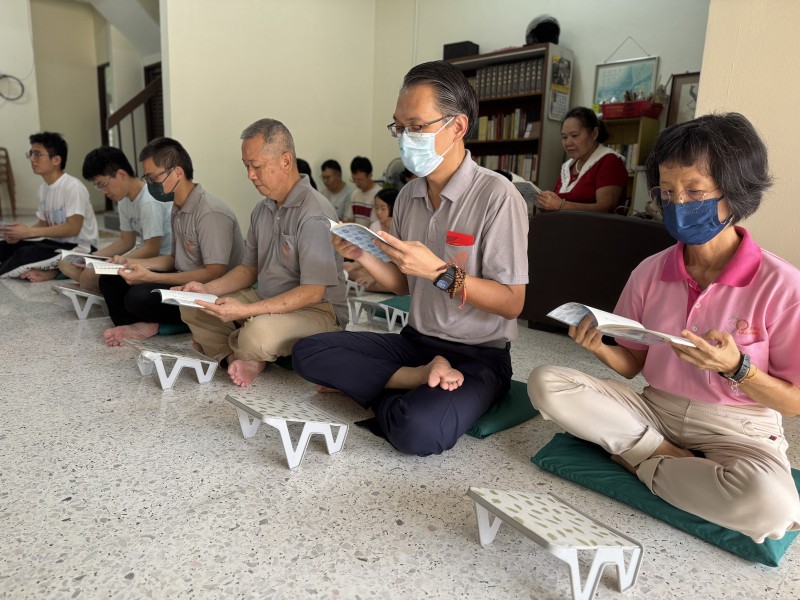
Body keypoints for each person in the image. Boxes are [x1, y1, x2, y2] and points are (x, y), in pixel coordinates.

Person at [527, 113, 800, 543]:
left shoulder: (783, 285)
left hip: (739, 429)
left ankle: (639, 458)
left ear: (736, 191)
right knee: (546, 383)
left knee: (773, 507)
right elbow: (632, 365)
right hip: (656, 411)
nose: (678, 204)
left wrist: (737, 368)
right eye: (667, 192)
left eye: (694, 191)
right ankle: (661, 455)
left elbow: (793, 402)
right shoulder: (650, 271)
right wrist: (599, 346)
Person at [292, 60, 529, 456]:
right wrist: (362, 254)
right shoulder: (408, 196)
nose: (405, 138)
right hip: (416, 344)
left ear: (457, 126)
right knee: (307, 351)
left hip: (479, 357)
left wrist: (439, 272)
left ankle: (380, 385)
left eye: (416, 126)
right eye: (399, 127)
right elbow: (404, 283)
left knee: (417, 430)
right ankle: (416, 377)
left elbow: (512, 302)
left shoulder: (497, 197)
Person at [177, 118, 347, 388]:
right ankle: (239, 356)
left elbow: (313, 292)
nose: (250, 175)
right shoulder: (262, 209)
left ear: (286, 161)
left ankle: (234, 347)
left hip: (318, 310)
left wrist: (246, 311)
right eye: (246, 166)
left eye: (256, 166)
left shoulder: (314, 212)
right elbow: (248, 270)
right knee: (193, 305)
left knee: (257, 333)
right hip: (267, 299)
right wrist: (206, 288)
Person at [98, 137, 244, 346]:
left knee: (139, 297)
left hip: (206, 289)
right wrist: (131, 263)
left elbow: (213, 273)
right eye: (147, 179)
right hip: (182, 280)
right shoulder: (177, 207)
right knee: (111, 279)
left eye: (153, 178)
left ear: (177, 172)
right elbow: (174, 259)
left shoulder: (211, 212)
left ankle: (155, 325)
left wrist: (152, 277)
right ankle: (135, 324)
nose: (150, 185)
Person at [54, 146, 172, 292]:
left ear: (121, 174)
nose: (103, 192)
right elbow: (125, 241)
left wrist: (118, 261)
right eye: (98, 187)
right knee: (66, 263)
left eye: (103, 185)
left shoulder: (149, 201)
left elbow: (152, 249)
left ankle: (96, 285)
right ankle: (97, 286)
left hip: (160, 260)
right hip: (143, 257)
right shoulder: (124, 200)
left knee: (90, 275)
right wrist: (91, 257)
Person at [0, 132, 98, 279]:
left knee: (24, 255)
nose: (32, 159)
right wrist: (19, 234)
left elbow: (73, 228)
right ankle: (51, 271)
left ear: (56, 160)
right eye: (31, 154)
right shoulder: (43, 188)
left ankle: (53, 272)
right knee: (5, 247)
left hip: (80, 248)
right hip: (54, 243)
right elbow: (43, 223)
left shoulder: (73, 187)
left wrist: (28, 232)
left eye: (37, 154)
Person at [535, 107, 628, 213]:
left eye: (574, 136)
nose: (568, 143)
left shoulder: (609, 160)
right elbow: (557, 206)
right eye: (564, 137)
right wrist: (545, 204)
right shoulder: (567, 166)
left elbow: (606, 208)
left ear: (594, 133)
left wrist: (560, 205)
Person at [344, 188, 398, 293]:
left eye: (383, 208)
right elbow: (370, 254)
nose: (378, 212)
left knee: (393, 283)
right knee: (350, 273)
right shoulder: (375, 226)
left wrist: (373, 277)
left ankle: (377, 284)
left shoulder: (400, 227)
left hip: (395, 271)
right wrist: (353, 266)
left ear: (394, 207)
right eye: (376, 208)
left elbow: (396, 262)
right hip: (376, 267)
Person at [349, 156, 382, 226]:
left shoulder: (379, 195)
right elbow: (350, 220)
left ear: (370, 175)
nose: (357, 183)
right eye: (354, 179)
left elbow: (374, 225)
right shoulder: (355, 194)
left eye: (360, 180)